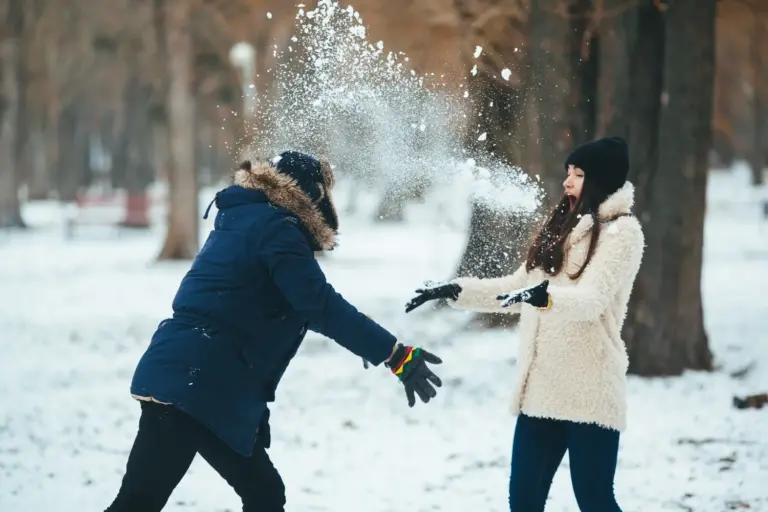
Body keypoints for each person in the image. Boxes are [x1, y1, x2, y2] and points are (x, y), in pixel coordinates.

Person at [105, 151, 443, 512]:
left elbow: (286, 306)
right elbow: (320, 306)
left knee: (257, 493)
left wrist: (363, 343)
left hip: (189, 373)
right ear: (309, 195)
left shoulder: (244, 219)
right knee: (154, 501)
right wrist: (393, 354)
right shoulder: (277, 230)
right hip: (199, 381)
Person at [405, 137, 645, 512]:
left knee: (595, 500)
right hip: (541, 390)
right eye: (568, 172)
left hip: (590, 391)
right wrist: (457, 290)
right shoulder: (562, 225)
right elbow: (517, 287)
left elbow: (591, 300)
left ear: (601, 180)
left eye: (578, 174)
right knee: (523, 503)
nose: (567, 181)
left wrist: (543, 297)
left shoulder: (622, 233)